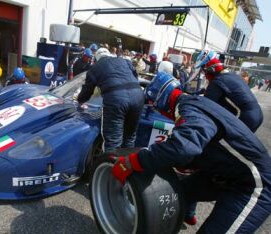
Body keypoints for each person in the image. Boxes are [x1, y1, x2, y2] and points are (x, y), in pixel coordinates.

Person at [111, 72, 271, 233]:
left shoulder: (188, 108)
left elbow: (183, 147)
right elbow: (199, 146)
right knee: (180, 194)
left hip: (254, 185)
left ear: (162, 101)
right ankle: (186, 215)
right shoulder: (196, 102)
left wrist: (133, 161)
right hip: (225, 174)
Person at [77, 48, 144, 152]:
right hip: (139, 97)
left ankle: (110, 167)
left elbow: (87, 91)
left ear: (96, 58)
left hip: (117, 100)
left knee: (113, 141)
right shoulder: (125, 61)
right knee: (130, 138)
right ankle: (126, 166)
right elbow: (135, 77)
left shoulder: (95, 68)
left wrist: (80, 100)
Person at [194, 50, 263, 133]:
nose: (204, 73)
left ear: (211, 69)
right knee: (245, 144)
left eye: (204, 70)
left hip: (248, 116)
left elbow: (208, 102)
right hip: (258, 114)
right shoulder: (232, 75)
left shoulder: (218, 80)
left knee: (215, 137)